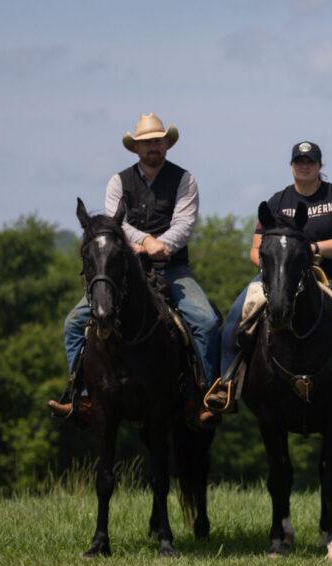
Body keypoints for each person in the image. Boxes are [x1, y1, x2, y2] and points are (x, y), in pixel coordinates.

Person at [210, 141, 332, 425]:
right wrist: (278, 266)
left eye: (310, 161)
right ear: (291, 166)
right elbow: (255, 249)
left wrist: (312, 249)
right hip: (282, 278)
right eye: (299, 161)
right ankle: (225, 386)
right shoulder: (277, 202)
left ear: (319, 166)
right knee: (235, 317)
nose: (304, 166)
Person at [48, 113, 222, 426]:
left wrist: (159, 246)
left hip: (173, 269)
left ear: (167, 144)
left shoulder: (185, 180)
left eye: (157, 141)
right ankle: (82, 394)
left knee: (206, 321)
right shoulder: (118, 181)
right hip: (125, 273)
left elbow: (184, 223)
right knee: (74, 323)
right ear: (136, 148)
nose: (152, 147)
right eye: (146, 143)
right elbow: (117, 224)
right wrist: (143, 243)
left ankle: (203, 395)